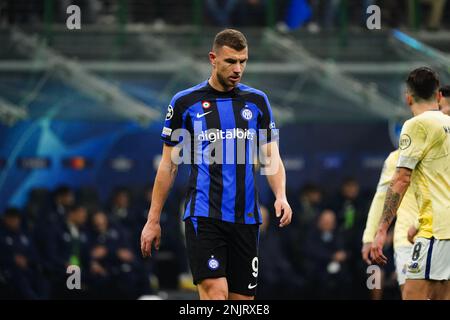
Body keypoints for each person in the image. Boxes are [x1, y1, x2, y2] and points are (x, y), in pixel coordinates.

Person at [140, 29, 292, 300]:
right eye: (230, 61)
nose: (238, 69)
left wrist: (281, 195)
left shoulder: (257, 101)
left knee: (242, 302)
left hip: (246, 219)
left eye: (243, 61)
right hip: (204, 216)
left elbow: (271, 156)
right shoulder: (185, 103)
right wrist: (153, 220)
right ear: (213, 58)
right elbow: (168, 166)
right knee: (215, 294)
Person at [371, 67, 450, 300]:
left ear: (408, 97)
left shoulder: (416, 125)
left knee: (412, 296)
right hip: (437, 228)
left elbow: (401, 179)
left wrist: (381, 229)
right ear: (438, 96)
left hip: (435, 231)